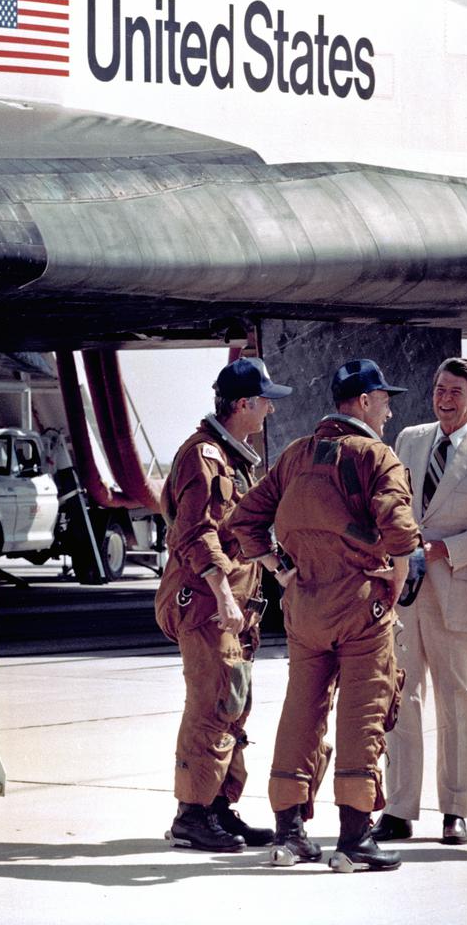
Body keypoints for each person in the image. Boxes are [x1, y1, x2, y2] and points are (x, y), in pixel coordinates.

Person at [228, 358, 421, 872]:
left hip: (305, 604)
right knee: (363, 710)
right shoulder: (376, 456)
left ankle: (290, 836)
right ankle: (355, 840)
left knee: (301, 710)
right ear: (363, 402)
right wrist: (396, 581)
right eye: (383, 399)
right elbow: (400, 532)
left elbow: (244, 520)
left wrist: (280, 567)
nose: (388, 409)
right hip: (361, 605)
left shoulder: (296, 454)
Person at [372, 357, 467, 846]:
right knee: (402, 696)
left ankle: (456, 809)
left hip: (457, 588)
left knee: (459, 704)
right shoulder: (410, 440)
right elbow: (391, 504)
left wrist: (440, 548)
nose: (445, 398)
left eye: (455, 390)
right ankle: (398, 808)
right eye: (439, 388)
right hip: (406, 593)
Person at [154, 356, 292, 852]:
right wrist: (219, 593)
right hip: (209, 604)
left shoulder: (231, 458)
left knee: (234, 704)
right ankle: (192, 814)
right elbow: (195, 533)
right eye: (265, 404)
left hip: (234, 606)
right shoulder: (203, 456)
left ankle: (217, 806)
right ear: (243, 405)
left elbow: (241, 529)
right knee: (213, 702)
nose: (270, 413)